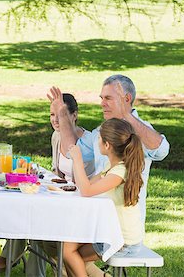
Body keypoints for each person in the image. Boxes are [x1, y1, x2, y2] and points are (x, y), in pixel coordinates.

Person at [0, 93, 100, 276]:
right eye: (52, 115)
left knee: (35, 221)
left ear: (74, 115)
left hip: (80, 203)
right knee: (30, 214)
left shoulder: (87, 142)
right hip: (62, 196)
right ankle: (20, 265)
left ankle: (8, 258)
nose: (55, 120)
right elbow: (58, 173)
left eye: (61, 114)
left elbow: (85, 182)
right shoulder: (57, 136)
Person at [48, 74, 170, 224]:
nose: (102, 104)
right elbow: (71, 150)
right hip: (98, 216)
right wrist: (62, 114)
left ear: (126, 99)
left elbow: (162, 150)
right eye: (101, 98)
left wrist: (126, 114)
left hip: (123, 223)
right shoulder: (101, 131)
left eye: (108, 98)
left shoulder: (140, 130)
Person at [63, 118, 145, 276]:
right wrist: (76, 163)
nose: (97, 141)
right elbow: (85, 185)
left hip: (123, 241)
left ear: (107, 145)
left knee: (70, 253)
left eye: (99, 138)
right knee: (67, 248)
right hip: (110, 231)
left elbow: (86, 191)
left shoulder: (119, 172)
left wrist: (78, 160)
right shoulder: (112, 167)